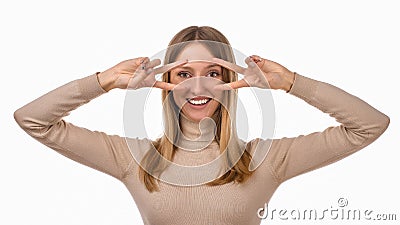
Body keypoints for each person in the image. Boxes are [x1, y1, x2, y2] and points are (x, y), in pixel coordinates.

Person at [14, 26, 390, 225]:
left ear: (233, 81)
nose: (198, 87)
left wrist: (291, 81)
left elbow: (370, 126)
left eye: (213, 72)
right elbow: (33, 120)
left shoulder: (265, 158)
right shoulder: (134, 158)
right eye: (183, 74)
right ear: (166, 84)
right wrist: (105, 81)